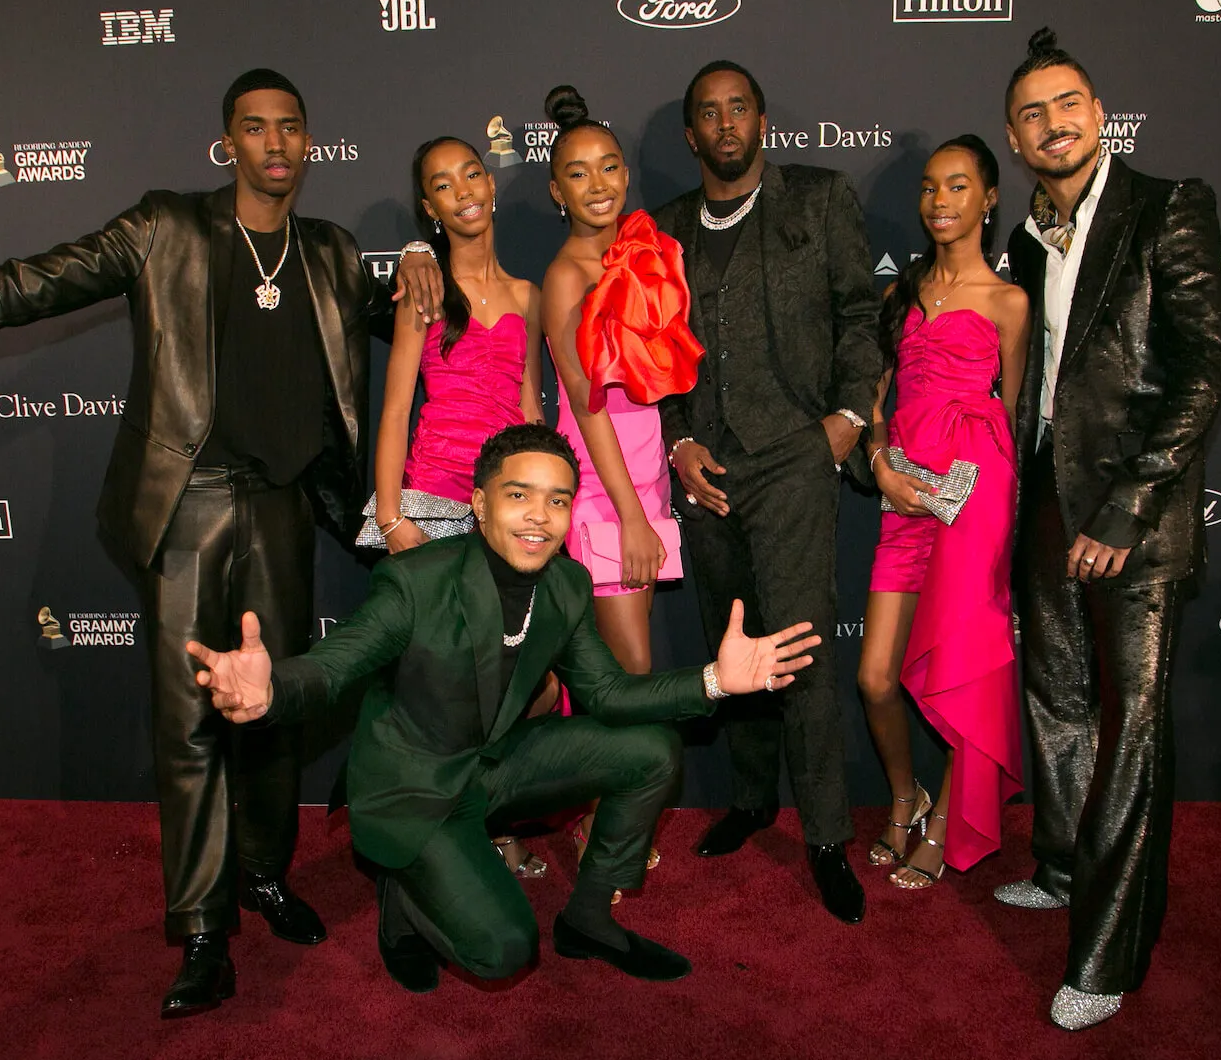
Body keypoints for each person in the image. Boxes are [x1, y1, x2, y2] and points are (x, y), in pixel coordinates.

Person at [0, 68, 444, 1018]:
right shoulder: (165, 228)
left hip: (289, 508)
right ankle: (204, 928)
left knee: (277, 706)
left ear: (309, 141)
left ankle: (261, 874)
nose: (276, 145)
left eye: (291, 128)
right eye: (255, 129)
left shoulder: (332, 253)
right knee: (188, 726)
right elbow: (24, 285)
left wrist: (424, 249)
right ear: (229, 142)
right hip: (189, 507)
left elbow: (453, 320)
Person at [185, 424, 820, 991]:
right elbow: (336, 665)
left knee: (651, 748)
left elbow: (607, 694)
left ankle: (590, 920)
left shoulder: (567, 585)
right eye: (519, 495)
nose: (540, 517)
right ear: (480, 504)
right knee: (504, 951)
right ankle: (402, 897)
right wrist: (272, 691)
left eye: (558, 499)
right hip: (415, 788)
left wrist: (713, 680)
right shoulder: (417, 582)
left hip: (493, 765)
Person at [994, 28, 1221, 1029]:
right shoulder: (1018, 237)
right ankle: (1058, 861)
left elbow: (1202, 370)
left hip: (1134, 513)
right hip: (1044, 498)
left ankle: (1104, 956)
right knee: (1054, 697)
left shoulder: (1164, 205)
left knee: (1129, 726)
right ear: (1013, 136)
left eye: (1068, 104)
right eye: (1032, 113)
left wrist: (1128, 505)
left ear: (1099, 113)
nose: (1053, 125)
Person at [652, 60, 883, 923]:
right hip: (708, 466)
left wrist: (848, 419)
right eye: (706, 112)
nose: (724, 124)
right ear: (690, 134)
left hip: (796, 452)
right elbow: (654, 348)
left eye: (737, 108)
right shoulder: (665, 226)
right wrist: (678, 440)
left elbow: (862, 314)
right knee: (729, 639)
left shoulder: (819, 199)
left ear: (762, 119)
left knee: (802, 649)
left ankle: (826, 836)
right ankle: (751, 800)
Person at [368, 135, 550, 876]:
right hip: (433, 506)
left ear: (492, 184)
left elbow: (532, 407)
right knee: (444, 697)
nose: (464, 190)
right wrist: (390, 518)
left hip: (509, 518)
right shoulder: (423, 292)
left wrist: (544, 510)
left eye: (472, 172)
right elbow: (395, 409)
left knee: (520, 690)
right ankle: (444, 840)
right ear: (430, 208)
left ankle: (490, 815)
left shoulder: (531, 296)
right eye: (443, 184)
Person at [538, 85, 705, 874]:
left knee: (620, 669)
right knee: (628, 673)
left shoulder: (636, 250)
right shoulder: (566, 273)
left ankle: (606, 818)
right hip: (607, 485)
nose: (598, 182)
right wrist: (635, 516)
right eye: (579, 172)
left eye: (609, 166)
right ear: (555, 189)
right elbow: (585, 401)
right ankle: (601, 825)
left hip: (644, 473)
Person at [856, 135, 1027, 891]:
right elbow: (875, 400)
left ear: (989, 199)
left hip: (972, 496)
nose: (940, 201)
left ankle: (948, 814)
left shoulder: (1010, 303)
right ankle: (906, 794)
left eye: (958, 186)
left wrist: (992, 507)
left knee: (962, 663)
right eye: (930, 187)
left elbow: (1012, 411)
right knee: (873, 677)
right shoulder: (902, 295)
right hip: (904, 494)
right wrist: (880, 464)